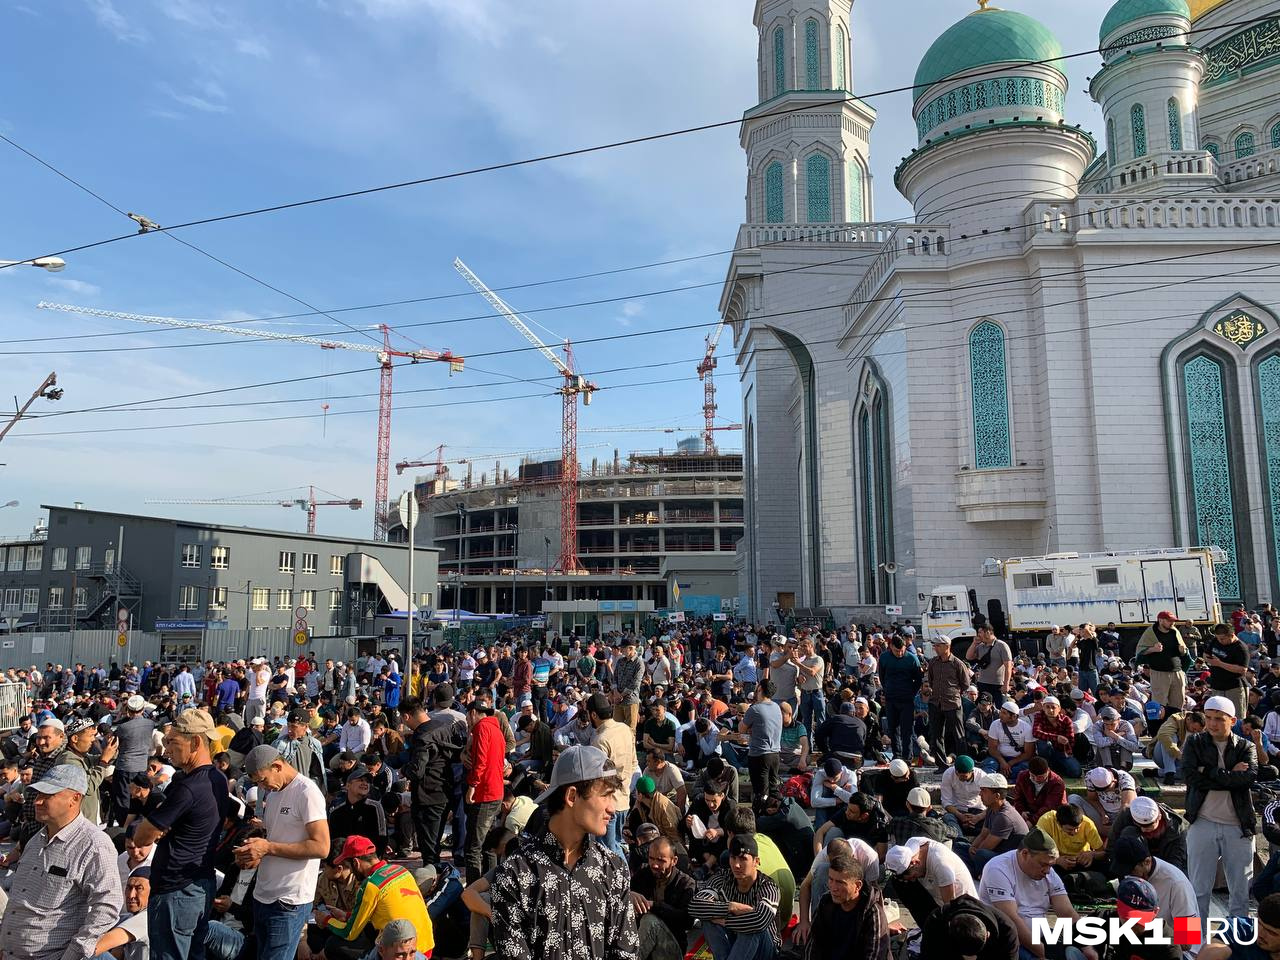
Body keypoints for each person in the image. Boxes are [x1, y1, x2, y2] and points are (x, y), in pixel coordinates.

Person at [490, 745, 639, 960]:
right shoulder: (514, 875)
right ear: (571, 796)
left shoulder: (613, 869)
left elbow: (625, 951)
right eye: (605, 795)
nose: (612, 808)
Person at [134, 708, 231, 960]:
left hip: (177, 889)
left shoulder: (189, 787)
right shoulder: (217, 779)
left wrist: (157, 825)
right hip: (199, 883)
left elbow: (142, 836)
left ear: (196, 741)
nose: (167, 749)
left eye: (173, 742)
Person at [0, 764, 123, 960]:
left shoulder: (94, 845)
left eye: (47, 796)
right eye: (38, 795)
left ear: (75, 798)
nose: (37, 802)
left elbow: (107, 906)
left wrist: (73, 954)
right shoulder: (35, 840)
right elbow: (19, 899)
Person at [236, 744, 332, 960]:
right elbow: (278, 839)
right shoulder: (274, 793)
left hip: (288, 900)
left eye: (262, 780)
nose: (262, 786)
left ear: (278, 766)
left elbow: (322, 847)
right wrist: (255, 852)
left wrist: (268, 847)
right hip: (264, 895)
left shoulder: (306, 792)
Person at [1183, 694, 1257, 924]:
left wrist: (1209, 771)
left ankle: (1238, 945)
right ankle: (1193, 947)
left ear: (1233, 721)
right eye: (1209, 718)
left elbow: (1248, 779)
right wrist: (1229, 774)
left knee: (1241, 892)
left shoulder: (1246, 746)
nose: (1212, 723)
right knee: (1196, 890)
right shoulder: (1194, 742)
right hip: (1202, 821)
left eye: (1219, 718)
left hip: (1238, 824)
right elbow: (1191, 776)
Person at [979, 829, 1097, 960]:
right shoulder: (998, 869)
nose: (1047, 871)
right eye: (1043, 864)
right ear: (1025, 854)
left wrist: (1086, 946)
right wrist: (1042, 953)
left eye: (1051, 865)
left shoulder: (1049, 872)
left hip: (1039, 932)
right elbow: (1012, 920)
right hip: (1007, 936)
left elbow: (1067, 912)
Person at [320, 835, 433, 960]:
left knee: (333, 945)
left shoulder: (371, 885)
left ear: (356, 863)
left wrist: (326, 920)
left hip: (403, 954)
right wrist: (346, 916)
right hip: (425, 947)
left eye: (350, 867)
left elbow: (349, 933)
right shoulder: (401, 870)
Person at [688, 833, 780, 960]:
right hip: (735, 946)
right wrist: (730, 907)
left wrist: (725, 921)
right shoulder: (723, 878)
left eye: (743, 859)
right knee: (708, 918)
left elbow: (760, 920)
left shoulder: (768, 886)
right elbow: (695, 905)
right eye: (733, 858)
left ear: (756, 861)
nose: (736, 865)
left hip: (764, 950)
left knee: (751, 927)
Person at [801, 849, 888, 960]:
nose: (833, 888)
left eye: (840, 882)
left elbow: (875, 955)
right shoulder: (826, 903)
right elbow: (813, 945)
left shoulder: (873, 912)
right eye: (831, 880)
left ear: (857, 885)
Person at [586, 691, 639, 857]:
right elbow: (634, 762)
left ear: (593, 714)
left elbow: (600, 778)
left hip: (609, 804)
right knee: (615, 845)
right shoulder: (624, 729)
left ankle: (623, 881)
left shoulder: (600, 740)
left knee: (609, 852)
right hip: (624, 799)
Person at [883, 835, 976, 925]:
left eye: (912, 876)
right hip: (937, 899)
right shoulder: (913, 846)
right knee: (899, 883)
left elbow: (950, 907)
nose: (911, 880)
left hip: (961, 909)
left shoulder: (941, 864)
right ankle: (926, 927)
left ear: (915, 862)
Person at [1110, 834, 1198, 928]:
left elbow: (1189, 936)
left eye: (1131, 871)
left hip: (1171, 939)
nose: (1128, 876)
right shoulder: (1130, 877)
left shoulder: (1176, 884)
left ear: (1147, 862)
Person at [630, 836, 696, 960]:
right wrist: (630, 897)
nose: (654, 865)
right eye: (651, 858)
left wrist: (654, 906)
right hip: (643, 945)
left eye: (660, 860)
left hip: (671, 948)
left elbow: (687, 921)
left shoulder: (686, 883)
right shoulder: (641, 875)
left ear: (674, 860)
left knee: (650, 921)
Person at [464, 697, 506, 884]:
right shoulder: (496, 730)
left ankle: (474, 888)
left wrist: (472, 786)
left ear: (473, 713)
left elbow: (480, 761)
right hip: (496, 791)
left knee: (473, 847)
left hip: (484, 792)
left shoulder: (481, 728)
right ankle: (491, 884)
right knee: (488, 845)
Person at [956, 772, 1028, 875]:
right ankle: (973, 870)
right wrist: (972, 847)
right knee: (959, 845)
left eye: (984, 791)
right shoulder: (991, 809)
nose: (980, 794)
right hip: (996, 853)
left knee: (981, 854)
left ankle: (976, 873)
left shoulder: (1004, 816)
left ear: (997, 796)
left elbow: (987, 846)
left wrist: (974, 851)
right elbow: (983, 834)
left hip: (1009, 860)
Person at [919, 893, 1020, 960]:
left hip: (1032, 929)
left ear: (988, 934)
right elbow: (928, 955)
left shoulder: (1007, 931)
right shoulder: (936, 922)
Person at [925, 636, 972, 770]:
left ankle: (963, 765)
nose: (935, 648)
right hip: (936, 703)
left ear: (947, 646)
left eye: (938, 646)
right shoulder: (933, 662)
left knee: (959, 735)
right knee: (936, 735)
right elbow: (931, 680)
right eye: (935, 645)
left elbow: (965, 684)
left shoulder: (957, 663)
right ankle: (942, 765)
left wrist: (953, 693)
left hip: (952, 703)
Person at [94, 867, 153, 960]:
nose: (131, 895)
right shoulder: (128, 917)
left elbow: (98, 946)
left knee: (89, 951)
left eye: (139, 888)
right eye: (129, 888)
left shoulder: (147, 917)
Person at [329, 765, 389, 855]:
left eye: (368, 781)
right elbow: (333, 842)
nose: (365, 783)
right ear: (348, 785)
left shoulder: (375, 807)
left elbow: (382, 838)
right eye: (360, 780)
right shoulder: (336, 813)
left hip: (368, 860)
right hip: (344, 862)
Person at [740, 679, 783, 803]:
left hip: (759, 755)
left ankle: (760, 817)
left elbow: (742, 729)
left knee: (761, 793)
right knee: (773, 790)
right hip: (775, 754)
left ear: (760, 690)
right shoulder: (776, 707)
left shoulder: (754, 709)